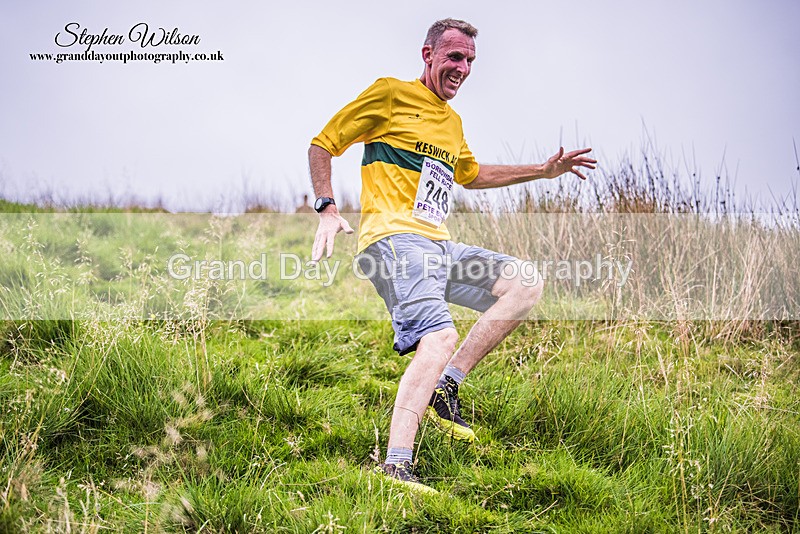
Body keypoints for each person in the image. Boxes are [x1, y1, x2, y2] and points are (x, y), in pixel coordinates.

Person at [308, 18, 596, 493]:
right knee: (439, 336)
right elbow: (323, 144)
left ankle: (446, 384)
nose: (462, 68)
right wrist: (326, 207)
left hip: (438, 246)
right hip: (394, 241)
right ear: (428, 55)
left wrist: (543, 172)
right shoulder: (389, 94)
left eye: (470, 61)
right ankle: (396, 467)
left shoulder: (452, 122)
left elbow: (472, 174)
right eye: (454, 57)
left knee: (524, 282)